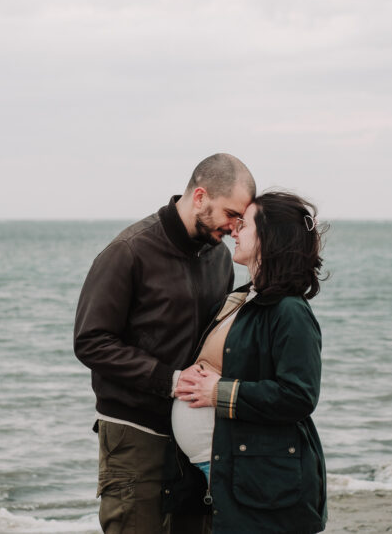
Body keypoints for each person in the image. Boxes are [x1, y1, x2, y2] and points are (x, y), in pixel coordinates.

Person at [74, 153, 256, 534]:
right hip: (134, 431)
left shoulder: (220, 260)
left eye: (241, 219)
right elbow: (90, 341)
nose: (234, 227)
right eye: (230, 214)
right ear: (200, 196)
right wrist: (170, 380)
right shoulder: (129, 251)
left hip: (197, 436)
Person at [172, 191, 328, 533]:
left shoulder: (290, 311)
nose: (234, 231)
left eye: (244, 224)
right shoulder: (240, 300)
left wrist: (218, 393)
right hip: (226, 469)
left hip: (262, 480)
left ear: (269, 237)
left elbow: (299, 396)